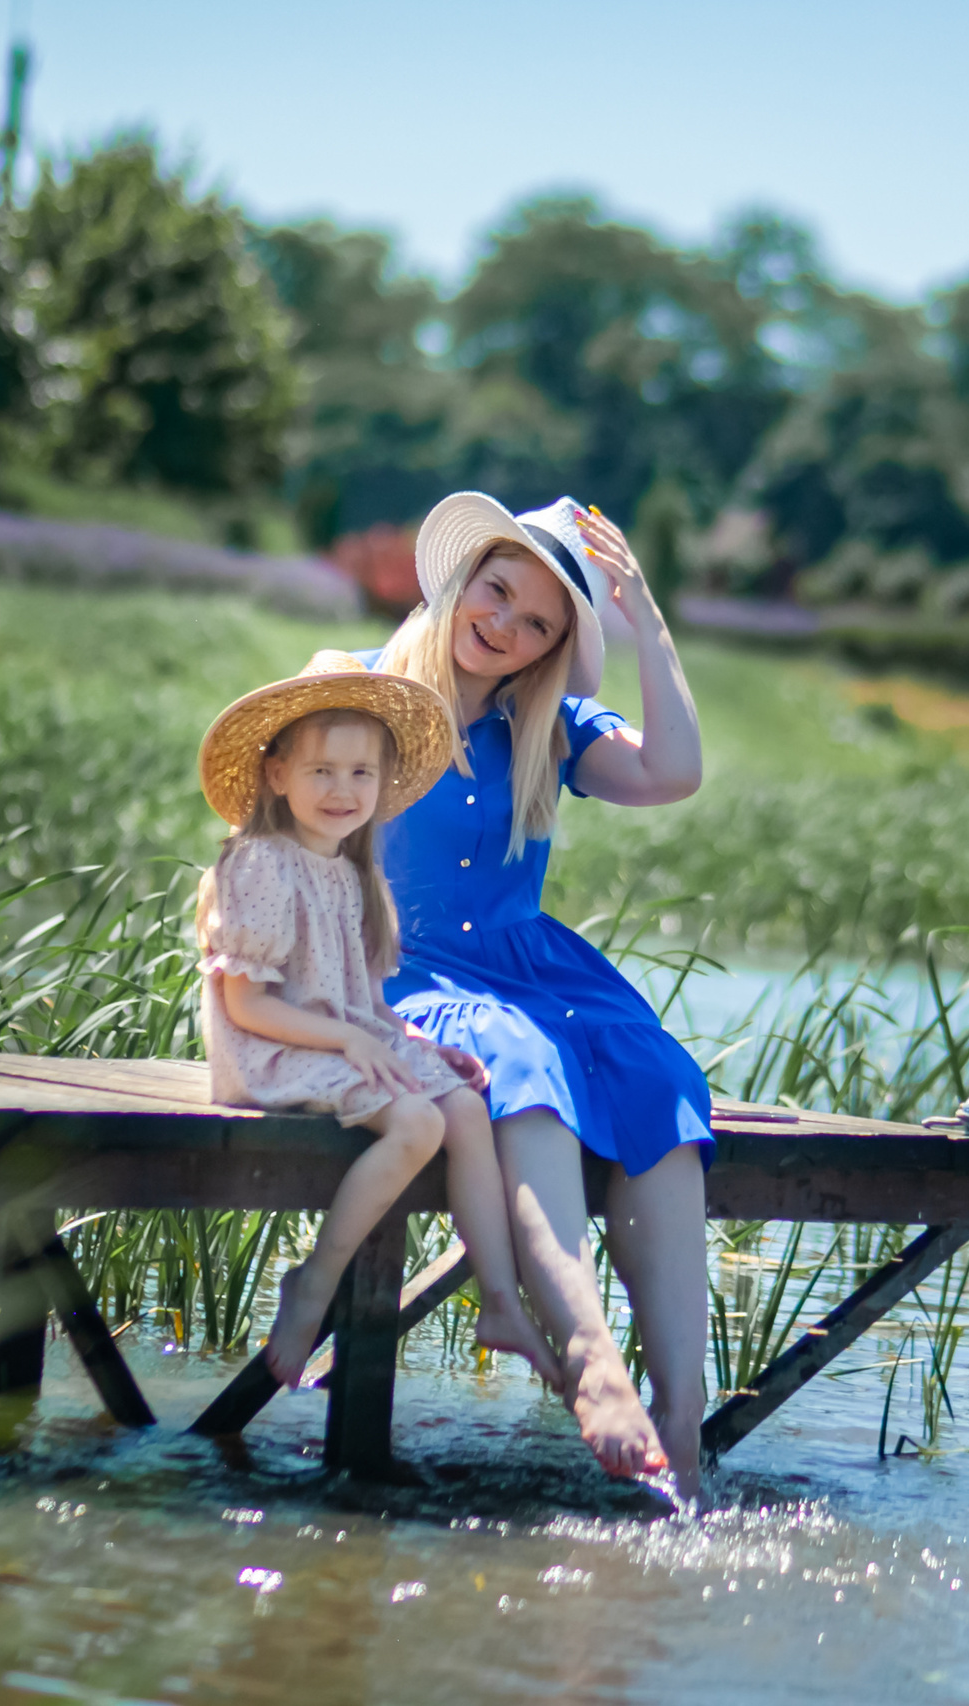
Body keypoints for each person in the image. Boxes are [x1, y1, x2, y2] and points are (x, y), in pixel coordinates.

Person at [364, 492, 713, 1500]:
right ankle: (592, 1356)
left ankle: (681, 1422)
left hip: (532, 962)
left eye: (538, 622)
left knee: (654, 1076)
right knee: (515, 1054)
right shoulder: (382, 695)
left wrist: (642, 622)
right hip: (413, 967)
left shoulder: (546, 724)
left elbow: (673, 771)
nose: (505, 626)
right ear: (464, 576)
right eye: (497, 592)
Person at [193, 651, 562, 1394]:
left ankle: (499, 1299)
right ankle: (315, 1281)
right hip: (271, 1051)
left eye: (361, 773)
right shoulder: (262, 864)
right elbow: (246, 1006)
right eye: (322, 771)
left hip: (335, 1041)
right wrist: (356, 1040)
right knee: (417, 1125)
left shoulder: (354, 874)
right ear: (277, 776)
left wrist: (417, 1044)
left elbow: (364, 1003)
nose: (342, 790)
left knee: (461, 1106)